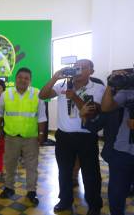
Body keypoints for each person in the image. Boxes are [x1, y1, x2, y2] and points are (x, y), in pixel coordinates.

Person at [39, 59, 105, 215]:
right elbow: (43, 95)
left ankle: (95, 206)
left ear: (91, 71)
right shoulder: (62, 85)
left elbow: (93, 113)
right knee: (64, 171)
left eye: (83, 67)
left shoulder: (98, 88)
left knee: (91, 173)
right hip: (64, 137)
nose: (78, 70)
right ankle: (65, 201)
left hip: (86, 137)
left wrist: (74, 97)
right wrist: (55, 77)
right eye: (76, 67)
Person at [84, 70, 134, 215]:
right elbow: (106, 107)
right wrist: (110, 84)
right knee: (116, 195)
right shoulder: (127, 92)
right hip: (122, 152)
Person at [0, 68, 47, 205]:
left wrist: (41, 134)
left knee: (32, 166)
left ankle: (31, 191)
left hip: (31, 138)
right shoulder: (6, 94)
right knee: (10, 164)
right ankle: (9, 188)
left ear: (30, 80)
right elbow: (0, 115)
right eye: (20, 77)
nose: (23, 80)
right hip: (11, 137)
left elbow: (42, 117)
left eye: (26, 78)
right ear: (15, 78)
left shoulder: (38, 94)